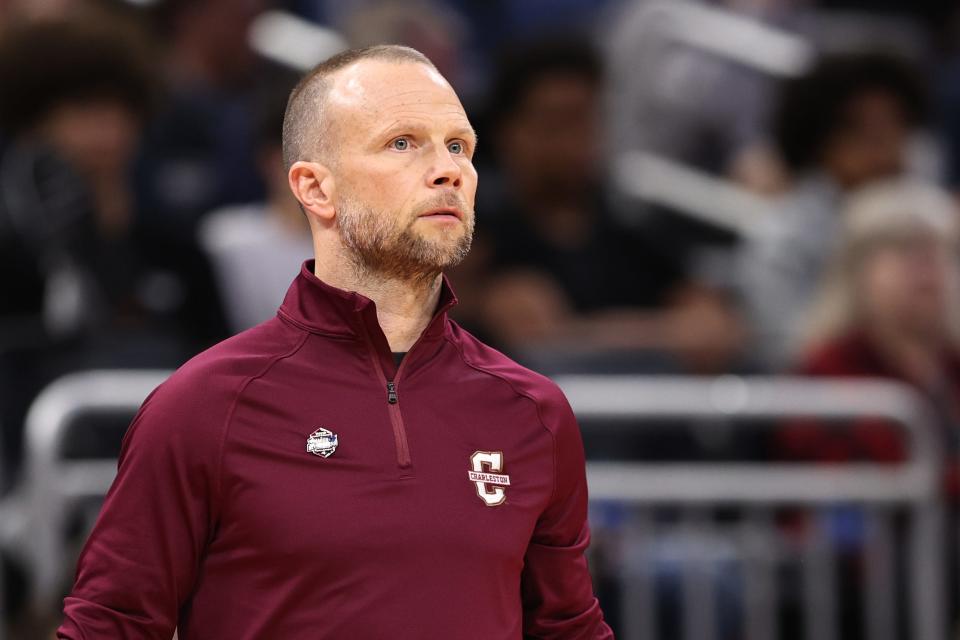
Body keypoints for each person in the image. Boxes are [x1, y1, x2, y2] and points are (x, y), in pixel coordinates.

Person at [58, 45, 613, 639]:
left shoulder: (535, 413)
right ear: (315, 188)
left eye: (459, 146)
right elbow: (109, 625)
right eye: (402, 143)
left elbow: (569, 629)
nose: (448, 169)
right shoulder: (203, 406)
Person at [739, 52, 930, 368]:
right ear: (821, 142)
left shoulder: (931, 225)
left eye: (895, 128)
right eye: (864, 133)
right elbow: (787, 355)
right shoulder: (782, 238)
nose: (883, 149)